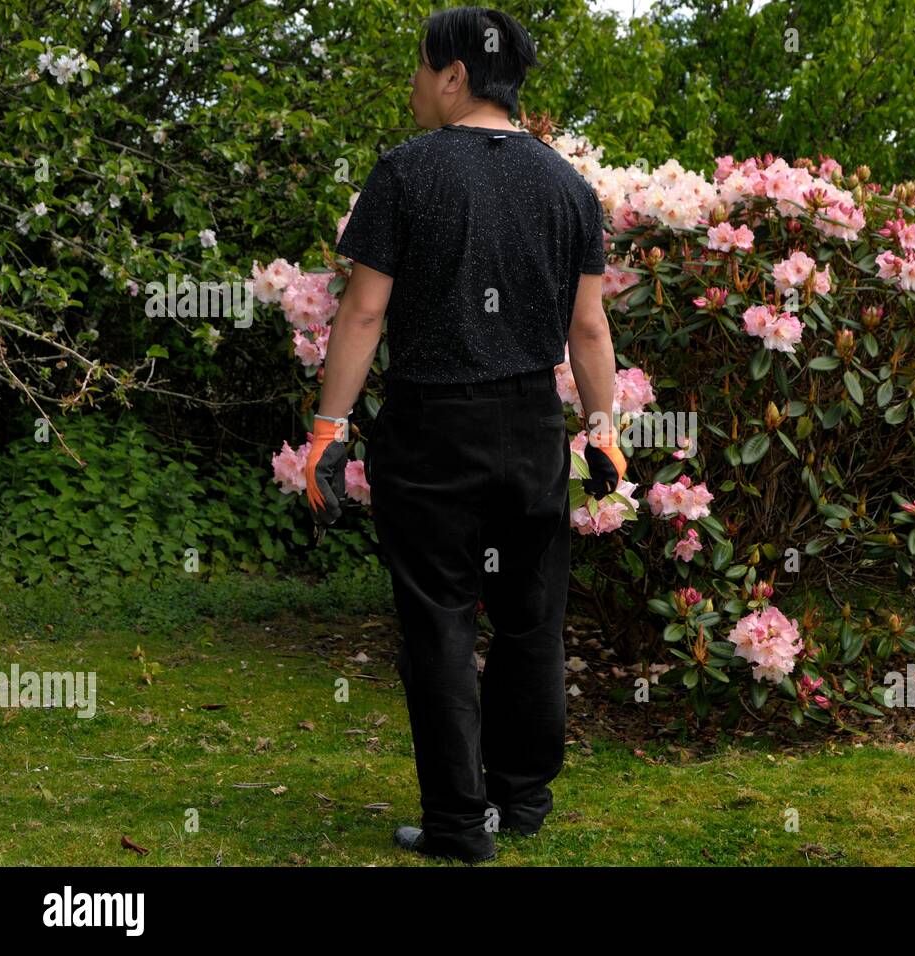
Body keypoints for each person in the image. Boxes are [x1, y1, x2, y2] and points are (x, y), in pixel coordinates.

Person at [301, 5, 627, 865]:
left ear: (454, 74)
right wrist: (603, 432)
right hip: (530, 427)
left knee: (441, 621)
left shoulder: (405, 172)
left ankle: (457, 825)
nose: (413, 84)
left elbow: (365, 310)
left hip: (432, 428)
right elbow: (588, 332)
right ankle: (521, 802)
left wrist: (328, 429)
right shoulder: (567, 185)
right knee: (530, 619)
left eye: (420, 67)